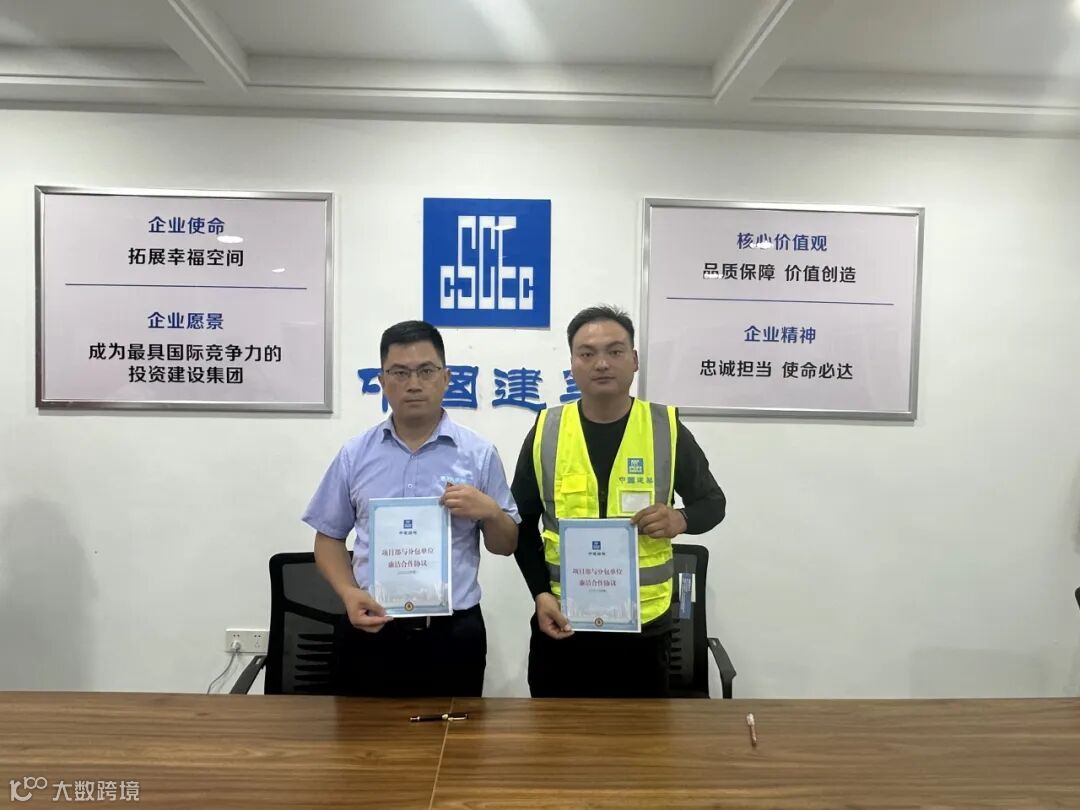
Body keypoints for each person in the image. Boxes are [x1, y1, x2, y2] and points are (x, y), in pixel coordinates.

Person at [512, 305, 726, 698]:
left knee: (641, 736)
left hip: (644, 630)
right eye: (587, 353)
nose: (601, 363)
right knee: (555, 734)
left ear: (635, 360)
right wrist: (540, 594)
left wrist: (681, 518)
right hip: (562, 623)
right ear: (572, 364)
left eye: (614, 351)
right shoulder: (547, 430)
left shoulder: (664, 428)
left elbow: (713, 503)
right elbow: (520, 526)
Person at [303, 320, 519, 697]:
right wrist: (348, 593)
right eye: (400, 373)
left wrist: (490, 511)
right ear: (382, 381)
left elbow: (506, 545)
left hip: (454, 634)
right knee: (364, 735)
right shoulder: (355, 455)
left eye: (426, 371)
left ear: (446, 378)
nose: (414, 384)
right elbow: (328, 539)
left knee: (456, 733)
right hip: (373, 628)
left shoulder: (479, 454)